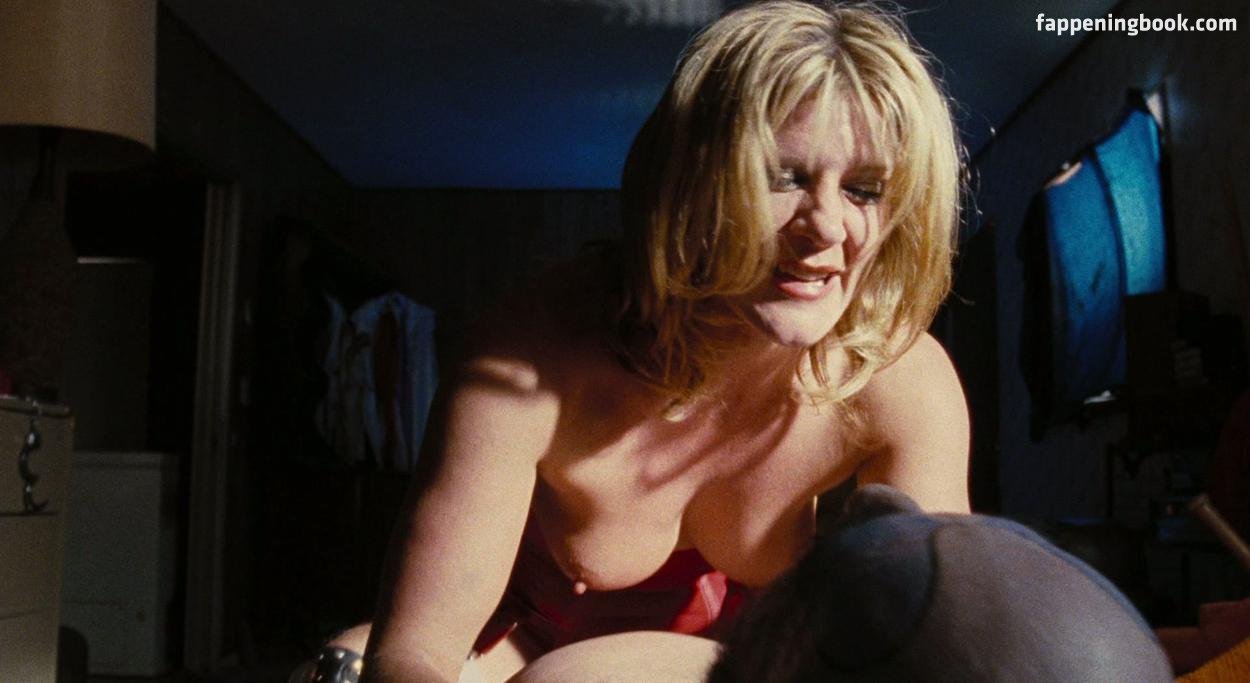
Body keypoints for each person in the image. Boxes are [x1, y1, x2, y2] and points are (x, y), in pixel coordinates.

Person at [321, 1, 969, 681]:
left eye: (864, 190)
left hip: (753, 664)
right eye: (782, 176)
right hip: (512, 647)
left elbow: (930, 656)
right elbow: (418, 647)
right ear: (694, 180)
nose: (827, 227)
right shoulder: (531, 354)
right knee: (337, 669)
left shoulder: (899, 378)